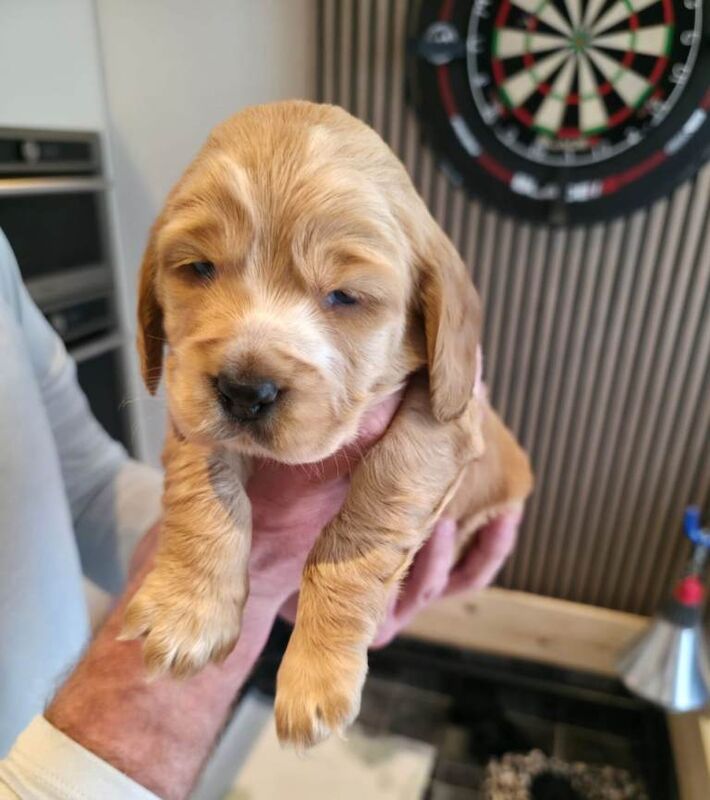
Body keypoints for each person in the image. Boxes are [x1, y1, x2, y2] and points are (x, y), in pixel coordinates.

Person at [0, 228, 522, 799]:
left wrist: (275, 575)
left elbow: (87, 489)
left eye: (344, 295)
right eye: (200, 269)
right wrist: (252, 563)